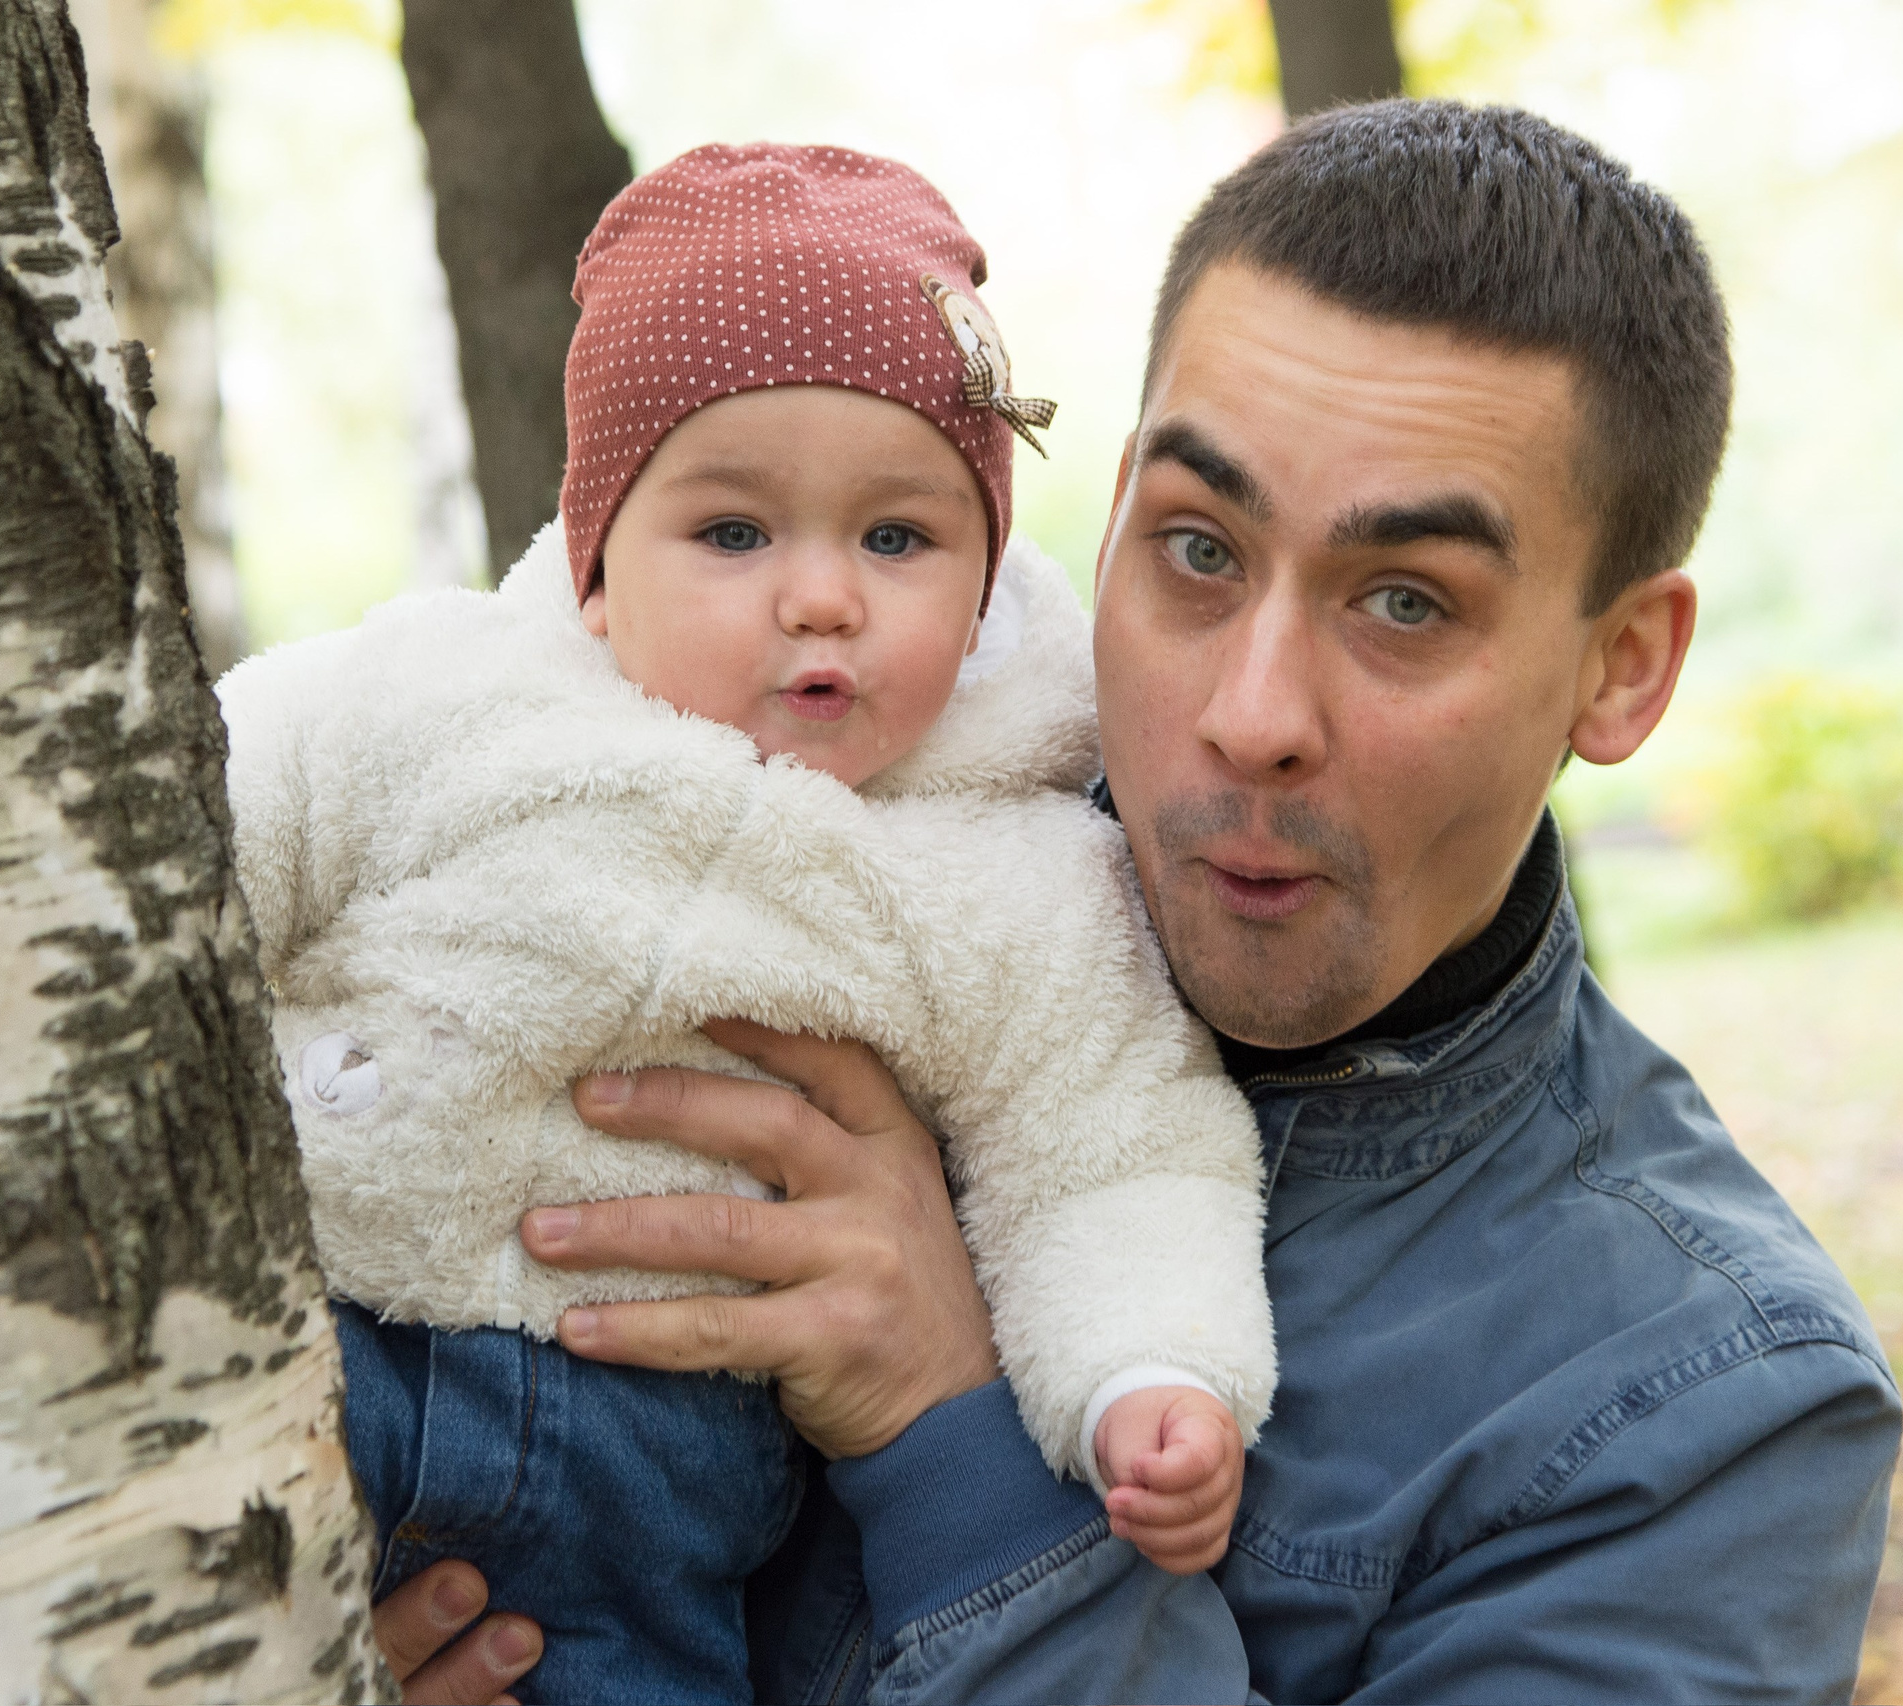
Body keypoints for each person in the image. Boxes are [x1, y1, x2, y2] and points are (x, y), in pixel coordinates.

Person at [374, 101, 1903, 1705]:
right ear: (1099, 519)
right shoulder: (761, 838)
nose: (1252, 710)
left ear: (1622, 665)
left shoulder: (1709, 1411)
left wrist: (946, 1425)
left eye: (1404, 601)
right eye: (1197, 548)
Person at [217, 143, 1279, 1703]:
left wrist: (1150, 1370)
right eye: (732, 534)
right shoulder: (443, 696)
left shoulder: (1017, 871)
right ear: (594, 572)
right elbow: (226, 815)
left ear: (988, 590)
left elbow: (1113, 1145)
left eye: (898, 538)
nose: (822, 598)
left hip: (646, 1467)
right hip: (332, 1327)